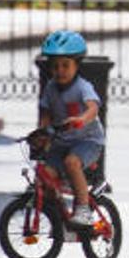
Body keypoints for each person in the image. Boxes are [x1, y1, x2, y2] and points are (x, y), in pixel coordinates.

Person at [38, 31, 105, 227]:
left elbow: (93, 108)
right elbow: (46, 114)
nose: (60, 70)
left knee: (72, 162)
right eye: (55, 66)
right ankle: (57, 217)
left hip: (88, 141)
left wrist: (81, 120)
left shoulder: (83, 87)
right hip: (62, 142)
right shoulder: (50, 88)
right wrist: (42, 133)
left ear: (77, 65)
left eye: (66, 65)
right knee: (46, 173)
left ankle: (83, 209)